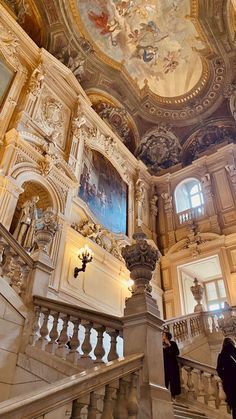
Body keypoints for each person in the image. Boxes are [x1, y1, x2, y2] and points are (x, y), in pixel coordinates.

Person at [217, 337, 236, 419]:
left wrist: (224, 377)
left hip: (229, 382)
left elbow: (219, 369)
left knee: (234, 405)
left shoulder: (221, 355)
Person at [162, 331, 181, 400]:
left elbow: (177, 353)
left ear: (167, 336)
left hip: (172, 365)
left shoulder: (172, 343)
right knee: (164, 381)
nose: (162, 336)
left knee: (173, 381)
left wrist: (169, 345)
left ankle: (173, 396)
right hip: (164, 366)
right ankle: (165, 396)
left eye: (163, 335)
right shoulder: (160, 345)